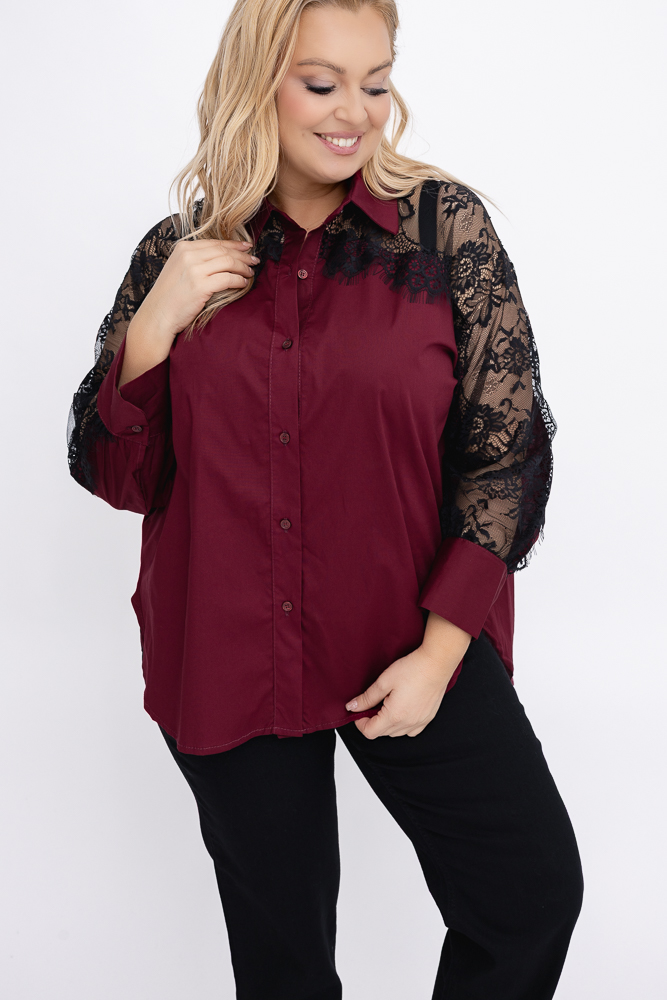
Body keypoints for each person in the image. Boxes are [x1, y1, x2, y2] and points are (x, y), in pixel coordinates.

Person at [67, 1, 584, 996]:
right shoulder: (176, 254)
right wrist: (155, 327)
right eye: (321, 83)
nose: (356, 111)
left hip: (408, 637)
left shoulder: (443, 232)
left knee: (528, 897)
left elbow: (505, 452)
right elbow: (115, 476)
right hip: (227, 649)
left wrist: (440, 655)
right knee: (284, 968)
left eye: (375, 82)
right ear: (256, 84)